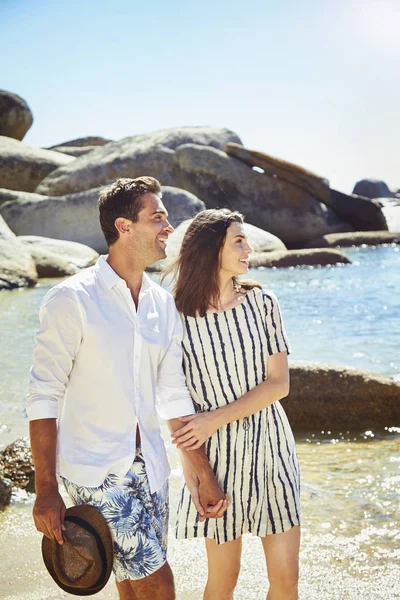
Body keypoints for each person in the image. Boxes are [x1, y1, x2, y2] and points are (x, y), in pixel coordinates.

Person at [27, 177, 228, 600]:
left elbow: (173, 395)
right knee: (159, 583)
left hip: (152, 468)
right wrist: (45, 490)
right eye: (157, 218)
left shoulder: (162, 305)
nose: (168, 228)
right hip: (94, 470)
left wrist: (200, 472)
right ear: (123, 227)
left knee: (131, 585)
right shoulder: (71, 299)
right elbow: (43, 395)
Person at [167, 208, 301, 600]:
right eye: (238, 241)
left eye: (246, 240)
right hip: (218, 459)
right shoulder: (175, 316)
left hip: (272, 448)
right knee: (224, 579)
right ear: (213, 249)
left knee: (285, 580)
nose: (248, 248)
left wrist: (213, 419)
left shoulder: (262, 303)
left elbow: (279, 385)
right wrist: (195, 468)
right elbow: (170, 398)